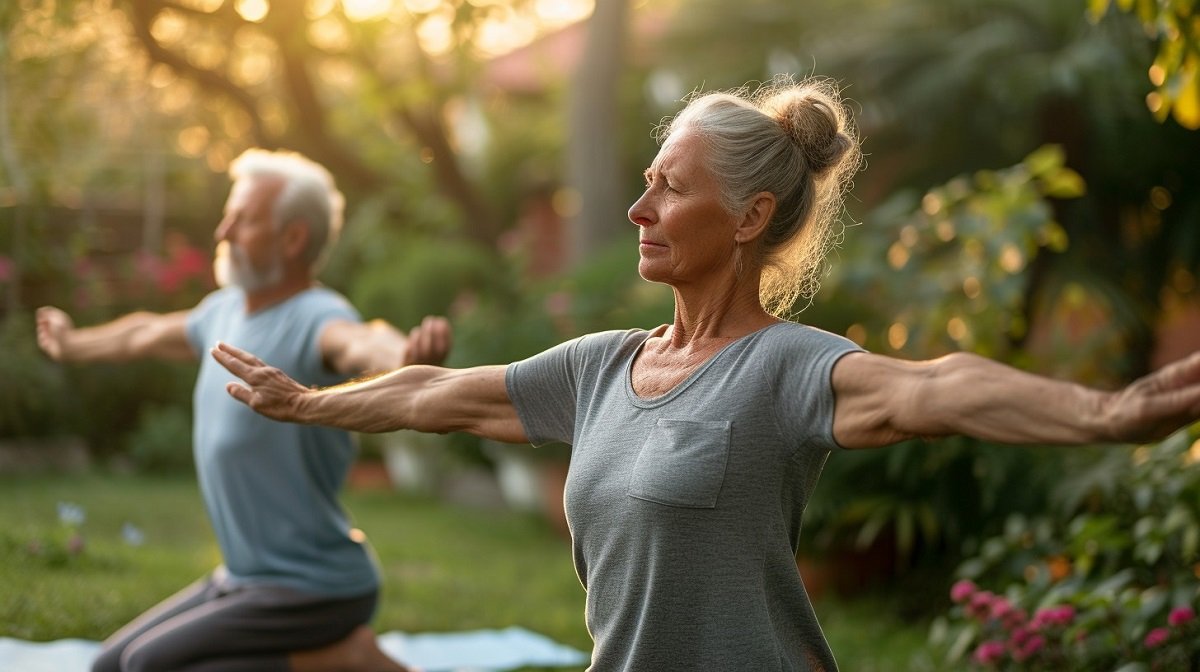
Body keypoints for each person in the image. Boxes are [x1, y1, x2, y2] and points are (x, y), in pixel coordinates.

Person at [209, 77, 1200, 671]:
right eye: (644, 183)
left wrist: (1108, 411)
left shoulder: (787, 368)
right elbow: (440, 392)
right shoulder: (603, 368)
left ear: (749, 218)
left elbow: (933, 388)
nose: (640, 211)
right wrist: (307, 402)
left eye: (669, 189)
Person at [37, 148, 450, 672]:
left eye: (244, 218)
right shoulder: (223, 312)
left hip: (315, 585)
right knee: (109, 666)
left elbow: (361, 342)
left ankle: (348, 657)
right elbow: (143, 331)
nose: (223, 230)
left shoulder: (317, 315)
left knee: (148, 668)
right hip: (244, 576)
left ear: (293, 237)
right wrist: (73, 346)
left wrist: (406, 360)